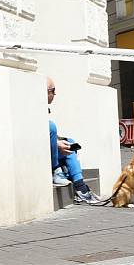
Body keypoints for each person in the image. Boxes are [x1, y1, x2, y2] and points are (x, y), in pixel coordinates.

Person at [47, 77, 102, 205]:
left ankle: (79, 184)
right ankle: (63, 176)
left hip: (48, 148)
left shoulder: (44, 107)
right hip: (40, 150)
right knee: (52, 126)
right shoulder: (33, 108)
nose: (55, 94)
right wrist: (55, 144)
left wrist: (59, 142)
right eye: (53, 90)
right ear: (46, 91)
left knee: (70, 142)